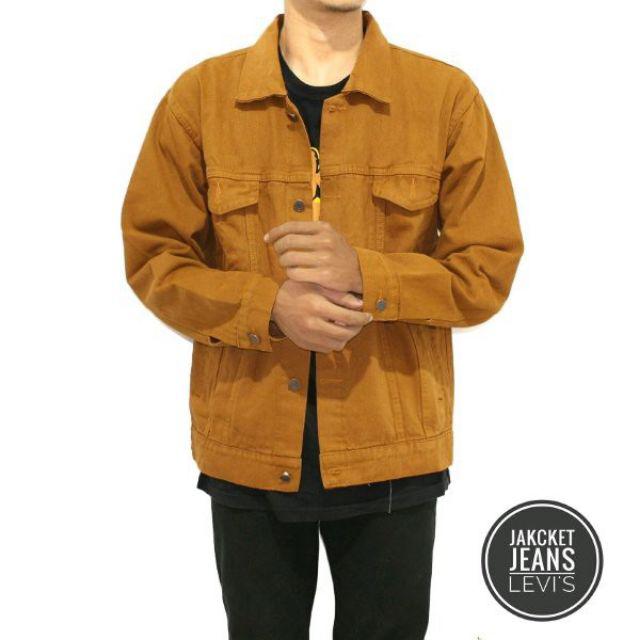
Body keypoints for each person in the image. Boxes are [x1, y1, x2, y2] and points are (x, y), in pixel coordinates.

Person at [121, 2, 524, 638]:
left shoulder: (444, 98)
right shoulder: (200, 99)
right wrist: (269, 309)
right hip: (248, 449)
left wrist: (368, 274)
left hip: (392, 452)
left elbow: (487, 269)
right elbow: (155, 259)